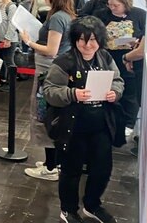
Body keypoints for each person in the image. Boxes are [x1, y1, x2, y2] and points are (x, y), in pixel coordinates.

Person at [43, 16, 124, 223]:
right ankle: (68, 209)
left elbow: (118, 80)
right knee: (71, 170)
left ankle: (92, 205)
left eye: (93, 40)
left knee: (102, 168)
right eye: (82, 40)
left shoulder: (105, 57)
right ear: (75, 39)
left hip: (101, 125)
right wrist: (72, 94)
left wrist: (115, 92)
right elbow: (50, 91)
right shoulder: (64, 61)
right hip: (73, 126)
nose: (87, 45)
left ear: (101, 40)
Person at [19, 0, 76, 181]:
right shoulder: (63, 15)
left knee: (45, 116)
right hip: (53, 71)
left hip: (49, 72)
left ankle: (51, 166)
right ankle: (52, 162)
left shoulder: (58, 18)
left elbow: (51, 50)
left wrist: (29, 42)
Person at [95, 0, 146, 137]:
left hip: (130, 59)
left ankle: (129, 122)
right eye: (110, 5)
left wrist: (137, 42)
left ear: (125, 3)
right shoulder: (102, 14)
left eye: (116, 5)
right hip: (108, 57)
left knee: (130, 91)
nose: (112, 8)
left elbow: (144, 36)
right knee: (110, 90)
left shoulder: (139, 14)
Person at [0, 0, 18, 91]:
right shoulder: (0, 4)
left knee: (9, 61)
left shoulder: (11, 7)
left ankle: (11, 83)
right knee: (1, 60)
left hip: (8, 39)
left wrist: (8, 38)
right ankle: (3, 79)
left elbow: (12, 24)